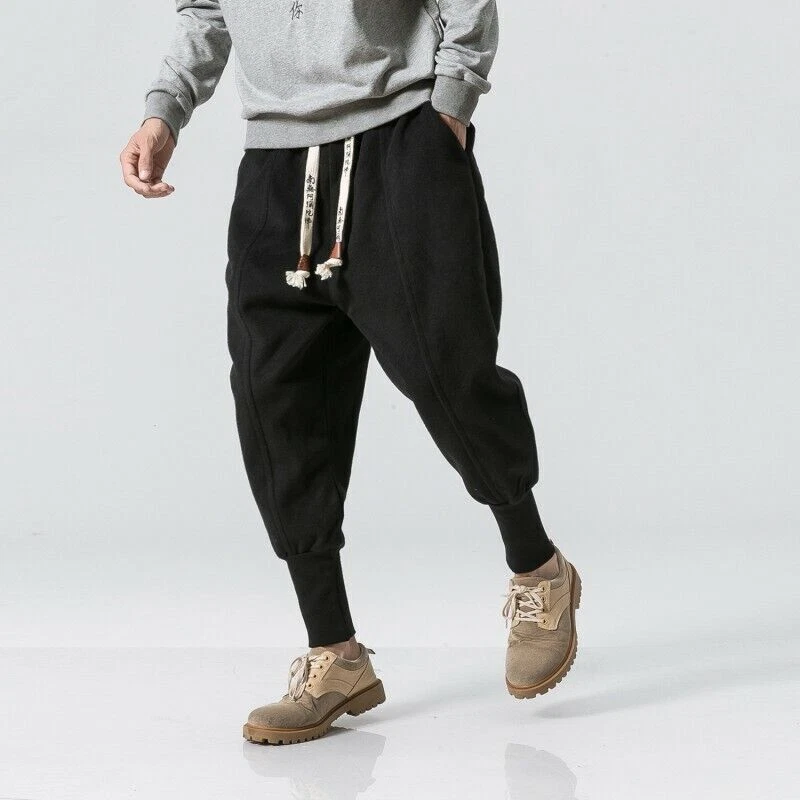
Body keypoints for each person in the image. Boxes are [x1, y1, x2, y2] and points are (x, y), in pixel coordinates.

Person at [120, 0, 582, 745]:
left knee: (447, 372)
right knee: (276, 405)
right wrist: (164, 111)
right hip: (273, 163)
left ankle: (538, 569)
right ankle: (334, 654)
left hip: (399, 138)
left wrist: (450, 107)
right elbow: (206, 9)